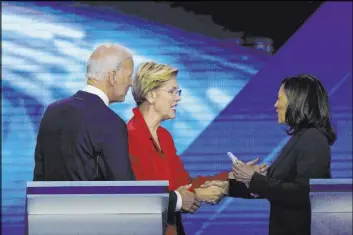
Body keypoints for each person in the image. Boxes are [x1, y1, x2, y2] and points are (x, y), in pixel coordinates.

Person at [202, 74, 336, 235]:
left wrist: (253, 179)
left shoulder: (313, 138)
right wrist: (228, 188)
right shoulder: (301, 137)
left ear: (296, 101)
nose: (275, 105)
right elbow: (276, 188)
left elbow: (304, 194)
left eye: (279, 99)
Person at [128, 61, 234, 235]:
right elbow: (145, 197)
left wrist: (229, 177)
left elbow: (182, 184)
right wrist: (199, 194)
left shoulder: (164, 137)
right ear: (151, 95)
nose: (178, 98)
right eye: (172, 91)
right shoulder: (130, 137)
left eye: (177, 92)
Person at [33, 43, 135, 181]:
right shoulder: (112, 123)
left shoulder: (52, 112)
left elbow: (39, 180)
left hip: (49, 203)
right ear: (113, 76)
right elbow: (125, 189)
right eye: (129, 76)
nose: (131, 83)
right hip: (94, 203)